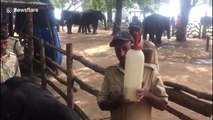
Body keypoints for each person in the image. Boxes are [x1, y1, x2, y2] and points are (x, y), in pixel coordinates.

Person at [97, 31, 168, 120]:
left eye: (125, 49)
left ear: (132, 48)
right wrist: (118, 102)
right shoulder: (111, 72)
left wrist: (147, 94)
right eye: (117, 50)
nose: (121, 54)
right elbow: (101, 104)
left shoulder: (150, 72)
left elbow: (163, 105)